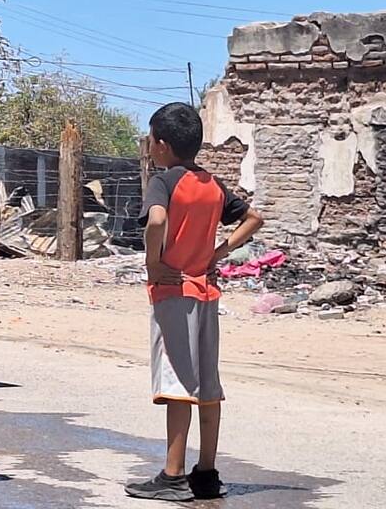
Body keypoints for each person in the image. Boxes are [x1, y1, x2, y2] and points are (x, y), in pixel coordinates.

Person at [125, 102, 263, 502]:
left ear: (162, 145)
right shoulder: (212, 184)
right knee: (207, 384)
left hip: (173, 293)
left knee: (178, 385)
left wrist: (154, 262)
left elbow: (155, 221)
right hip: (206, 293)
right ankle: (206, 472)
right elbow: (253, 218)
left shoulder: (163, 182)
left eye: (151, 139)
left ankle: (172, 475)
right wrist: (219, 253)